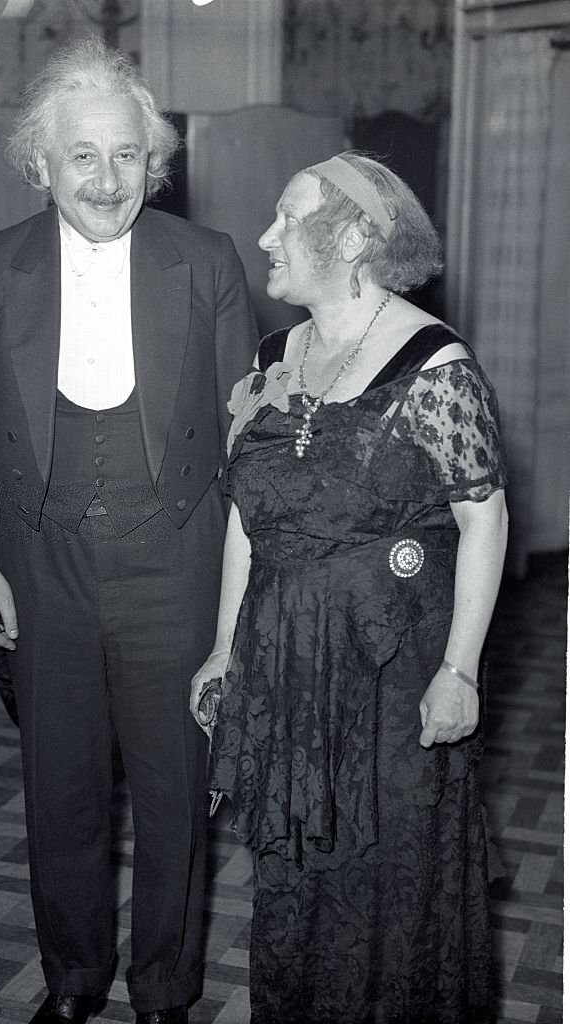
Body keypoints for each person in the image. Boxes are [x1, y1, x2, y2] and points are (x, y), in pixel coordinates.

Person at [0, 38, 257, 1024]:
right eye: (83, 156)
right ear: (41, 164)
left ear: (152, 163)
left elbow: (248, 435)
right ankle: (75, 981)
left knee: (174, 791)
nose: (108, 178)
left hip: (177, 559)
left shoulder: (204, 260)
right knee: (59, 789)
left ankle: (164, 988)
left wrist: (237, 597)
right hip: (40, 566)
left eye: (127, 155)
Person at [190, 151, 508, 1024]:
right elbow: (243, 522)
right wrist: (222, 649)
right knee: (295, 874)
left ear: (358, 235)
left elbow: (482, 519)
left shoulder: (434, 364)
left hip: (392, 668)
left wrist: (460, 671)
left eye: (287, 218)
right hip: (283, 656)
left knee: (389, 868)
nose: (265, 236)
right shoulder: (270, 356)